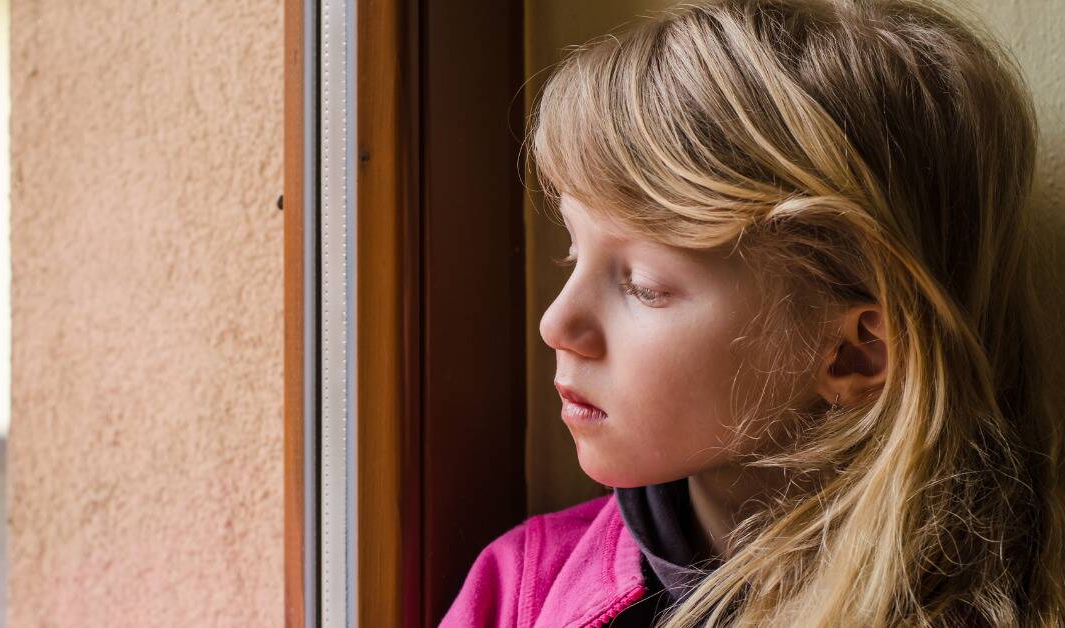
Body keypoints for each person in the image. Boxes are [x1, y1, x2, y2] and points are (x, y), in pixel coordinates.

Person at [441, 0, 1065, 625]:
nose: (556, 324)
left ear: (853, 353)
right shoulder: (520, 589)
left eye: (645, 285)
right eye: (572, 251)